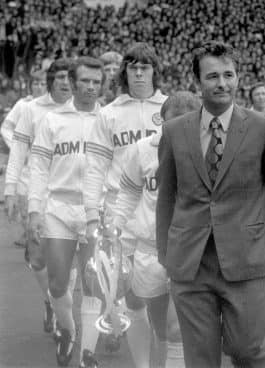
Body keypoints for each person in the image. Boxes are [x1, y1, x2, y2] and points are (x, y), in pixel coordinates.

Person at [156, 41, 265, 368]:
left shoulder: (264, 128)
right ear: (197, 83)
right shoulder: (174, 131)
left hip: (246, 261)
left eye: (229, 75)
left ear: (238, 78)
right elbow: (166, 196)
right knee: (200, 358)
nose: (222, 83)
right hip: (191, 264)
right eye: (213, 76)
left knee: (246, 350)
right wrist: (165, 251)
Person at [84, 42, 168, 368]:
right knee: (129, 297)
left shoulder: (172, 110)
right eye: (132, 66)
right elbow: (95, 168)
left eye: (144, 67)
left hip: (160, 215)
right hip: (119, 213)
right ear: (124, 72)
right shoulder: (109, 114)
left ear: (154, 70)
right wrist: (93, 215)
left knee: (160, 301)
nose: (138, 72)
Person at [113, 91, 201, 368]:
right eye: (170, 125)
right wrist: (113, 226)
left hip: (192, 250)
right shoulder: (143, 149)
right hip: (151, 250)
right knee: (162, 328)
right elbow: (128, 191)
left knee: (177, 331)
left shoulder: (209, 151)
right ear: (161, 121)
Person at [27, 57, 103, 368]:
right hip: (59, 207)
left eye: (96, 82)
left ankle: (87, 352)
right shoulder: (53, 120)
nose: (90, 87)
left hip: (96, 210)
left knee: (93, 283)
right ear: (71, 83)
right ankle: (68, 330)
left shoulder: (108, 119)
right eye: (85, 81)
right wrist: (34, 209)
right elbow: (40, 167)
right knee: (58, 284)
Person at [3, 59, 73, 337]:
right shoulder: (31, 109)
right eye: (59, 78)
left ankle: (63, 318)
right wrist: (10, 190)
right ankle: (49, 299)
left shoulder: (83, 109)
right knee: (38, 257)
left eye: (70, 77)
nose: (65, 83)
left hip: (69, 193)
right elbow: (18, 151)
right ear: (50, 81)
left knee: (65, 258)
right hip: (37, 190)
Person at [1, 68, 47, 247]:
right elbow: (6, 127)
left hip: (47, 162)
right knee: (24, 196)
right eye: (36, 83)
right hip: (27, 162)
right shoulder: (23, 105)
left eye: (43, 83)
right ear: (30, 85)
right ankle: (28, 231)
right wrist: (19, 149)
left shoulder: (58, 106)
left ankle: (42, 233)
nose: (39, 87)